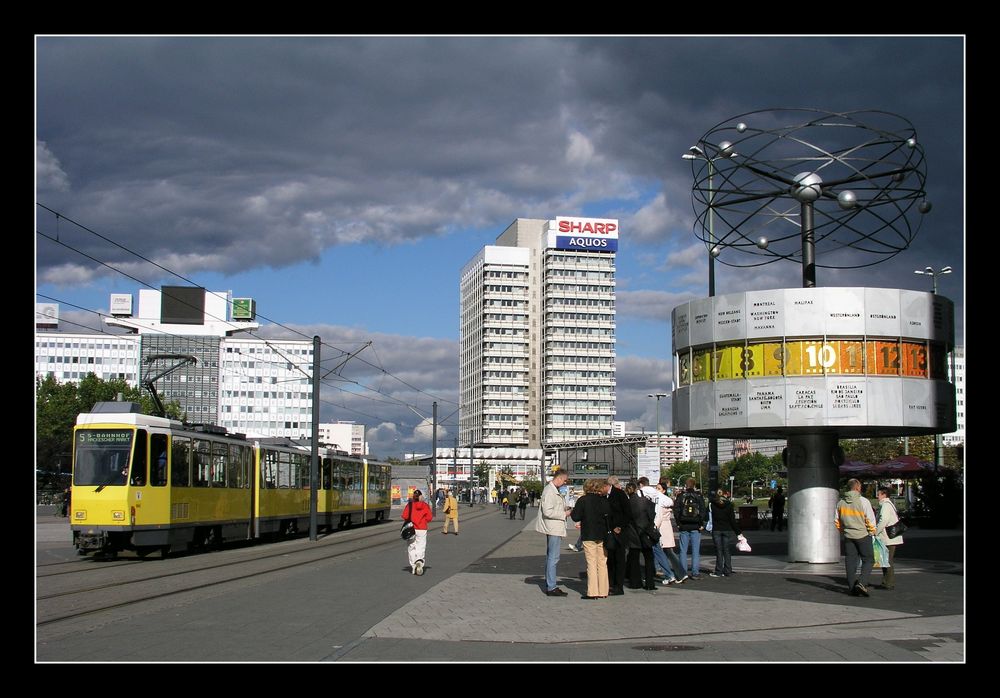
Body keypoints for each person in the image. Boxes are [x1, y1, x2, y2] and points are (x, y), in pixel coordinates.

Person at [570, 478, 612, 599]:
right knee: (602, 563)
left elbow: (575, 516)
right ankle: (604, 590)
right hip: (602, 534)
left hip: (589, 534)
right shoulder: (604, 500)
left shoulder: (583, 500)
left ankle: (593, 591)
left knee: (591, 563)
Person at [835, 478, 877, 596]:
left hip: (849, 536)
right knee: (868, 559)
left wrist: (844, 532)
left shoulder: (841, 502)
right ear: (858, 487)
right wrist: (872, 532)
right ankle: (862, 583)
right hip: (862, 535)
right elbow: (870, 519)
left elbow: (837, 521)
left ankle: (851, 586)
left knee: (850, 561)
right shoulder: (863, 501)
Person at [534, 468, 572, 596]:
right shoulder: (550, 491)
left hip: (554, 527)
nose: (565, 483)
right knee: (553, 557)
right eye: (565, 480)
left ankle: (550, 584)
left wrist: (563, 508)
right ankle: (551, 586)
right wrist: (564, 513)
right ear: (559, 478)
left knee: (551, 556)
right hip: (553, 528)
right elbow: (548, 511)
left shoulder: (553, 490)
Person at [625, 481, 658, 590]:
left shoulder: (627, 503)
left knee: (634, 559)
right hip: (645, 532)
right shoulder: (645, 501)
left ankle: (635, 583)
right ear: (636, 489)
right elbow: (652, 516)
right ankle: (650, 583)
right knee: (649, 558)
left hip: (633, 534)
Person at [652, 481, 686, 584]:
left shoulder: (660, 501)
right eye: (656, 488)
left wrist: (654, 528)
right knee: (668, 552)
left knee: (661, 551)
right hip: (666, 528)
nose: (656, 490)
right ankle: (681, 573)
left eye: (659, 488)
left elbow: (658, 517)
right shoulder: (666, 501)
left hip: (661, 528)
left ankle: (672, 574)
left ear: (664, 490)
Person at [605, 475, 632, 595]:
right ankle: (611, 583)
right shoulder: (605, 495)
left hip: (620, 533)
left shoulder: (619, 494)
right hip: (609, 532)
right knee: (610, 559)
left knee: (619, 559)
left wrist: (620, 526)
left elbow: (628, 513)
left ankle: (618, 586)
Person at [676, 478, 707, 579]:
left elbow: (676, 510)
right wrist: (700, 522)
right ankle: (695, 572)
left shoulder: (681, 496)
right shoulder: (698, 496)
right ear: (694, 485)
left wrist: (679, 523)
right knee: (695, 551)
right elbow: (703, 510)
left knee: (683, 551)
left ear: (686, 485)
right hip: (695, 526)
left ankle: (683, 572)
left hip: (684, 525)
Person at [874, 487, 904, 590]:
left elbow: (884, 520)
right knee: (886, 560)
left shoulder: (885, 505)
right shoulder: (888, 504)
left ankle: (888, 583)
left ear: (884, 495)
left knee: (887, 560)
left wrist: (876, 531)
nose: (877, 496)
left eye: (879, 494)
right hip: (890, 538)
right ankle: (886, 582)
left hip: (888, 538)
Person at [708, 489, 741, 577]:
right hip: (727, 529)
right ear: (725, 494)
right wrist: (738, 532)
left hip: (716, 529)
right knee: (727, 550)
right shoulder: (729, 505)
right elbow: (732, 520)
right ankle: (728, 570)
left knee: (718, 550)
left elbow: (707, 517)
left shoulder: (712, 504)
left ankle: (718, 571)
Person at [402, 489, 433, 575]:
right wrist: (422, 520)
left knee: (411, 547)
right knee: (421, 546)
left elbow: (404, 516)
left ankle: (413, 566)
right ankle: (419, 561)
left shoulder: (410, 505)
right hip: (422, 528)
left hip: (411, 529)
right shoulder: (425, 505)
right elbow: (429, 518)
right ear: (421, 497)